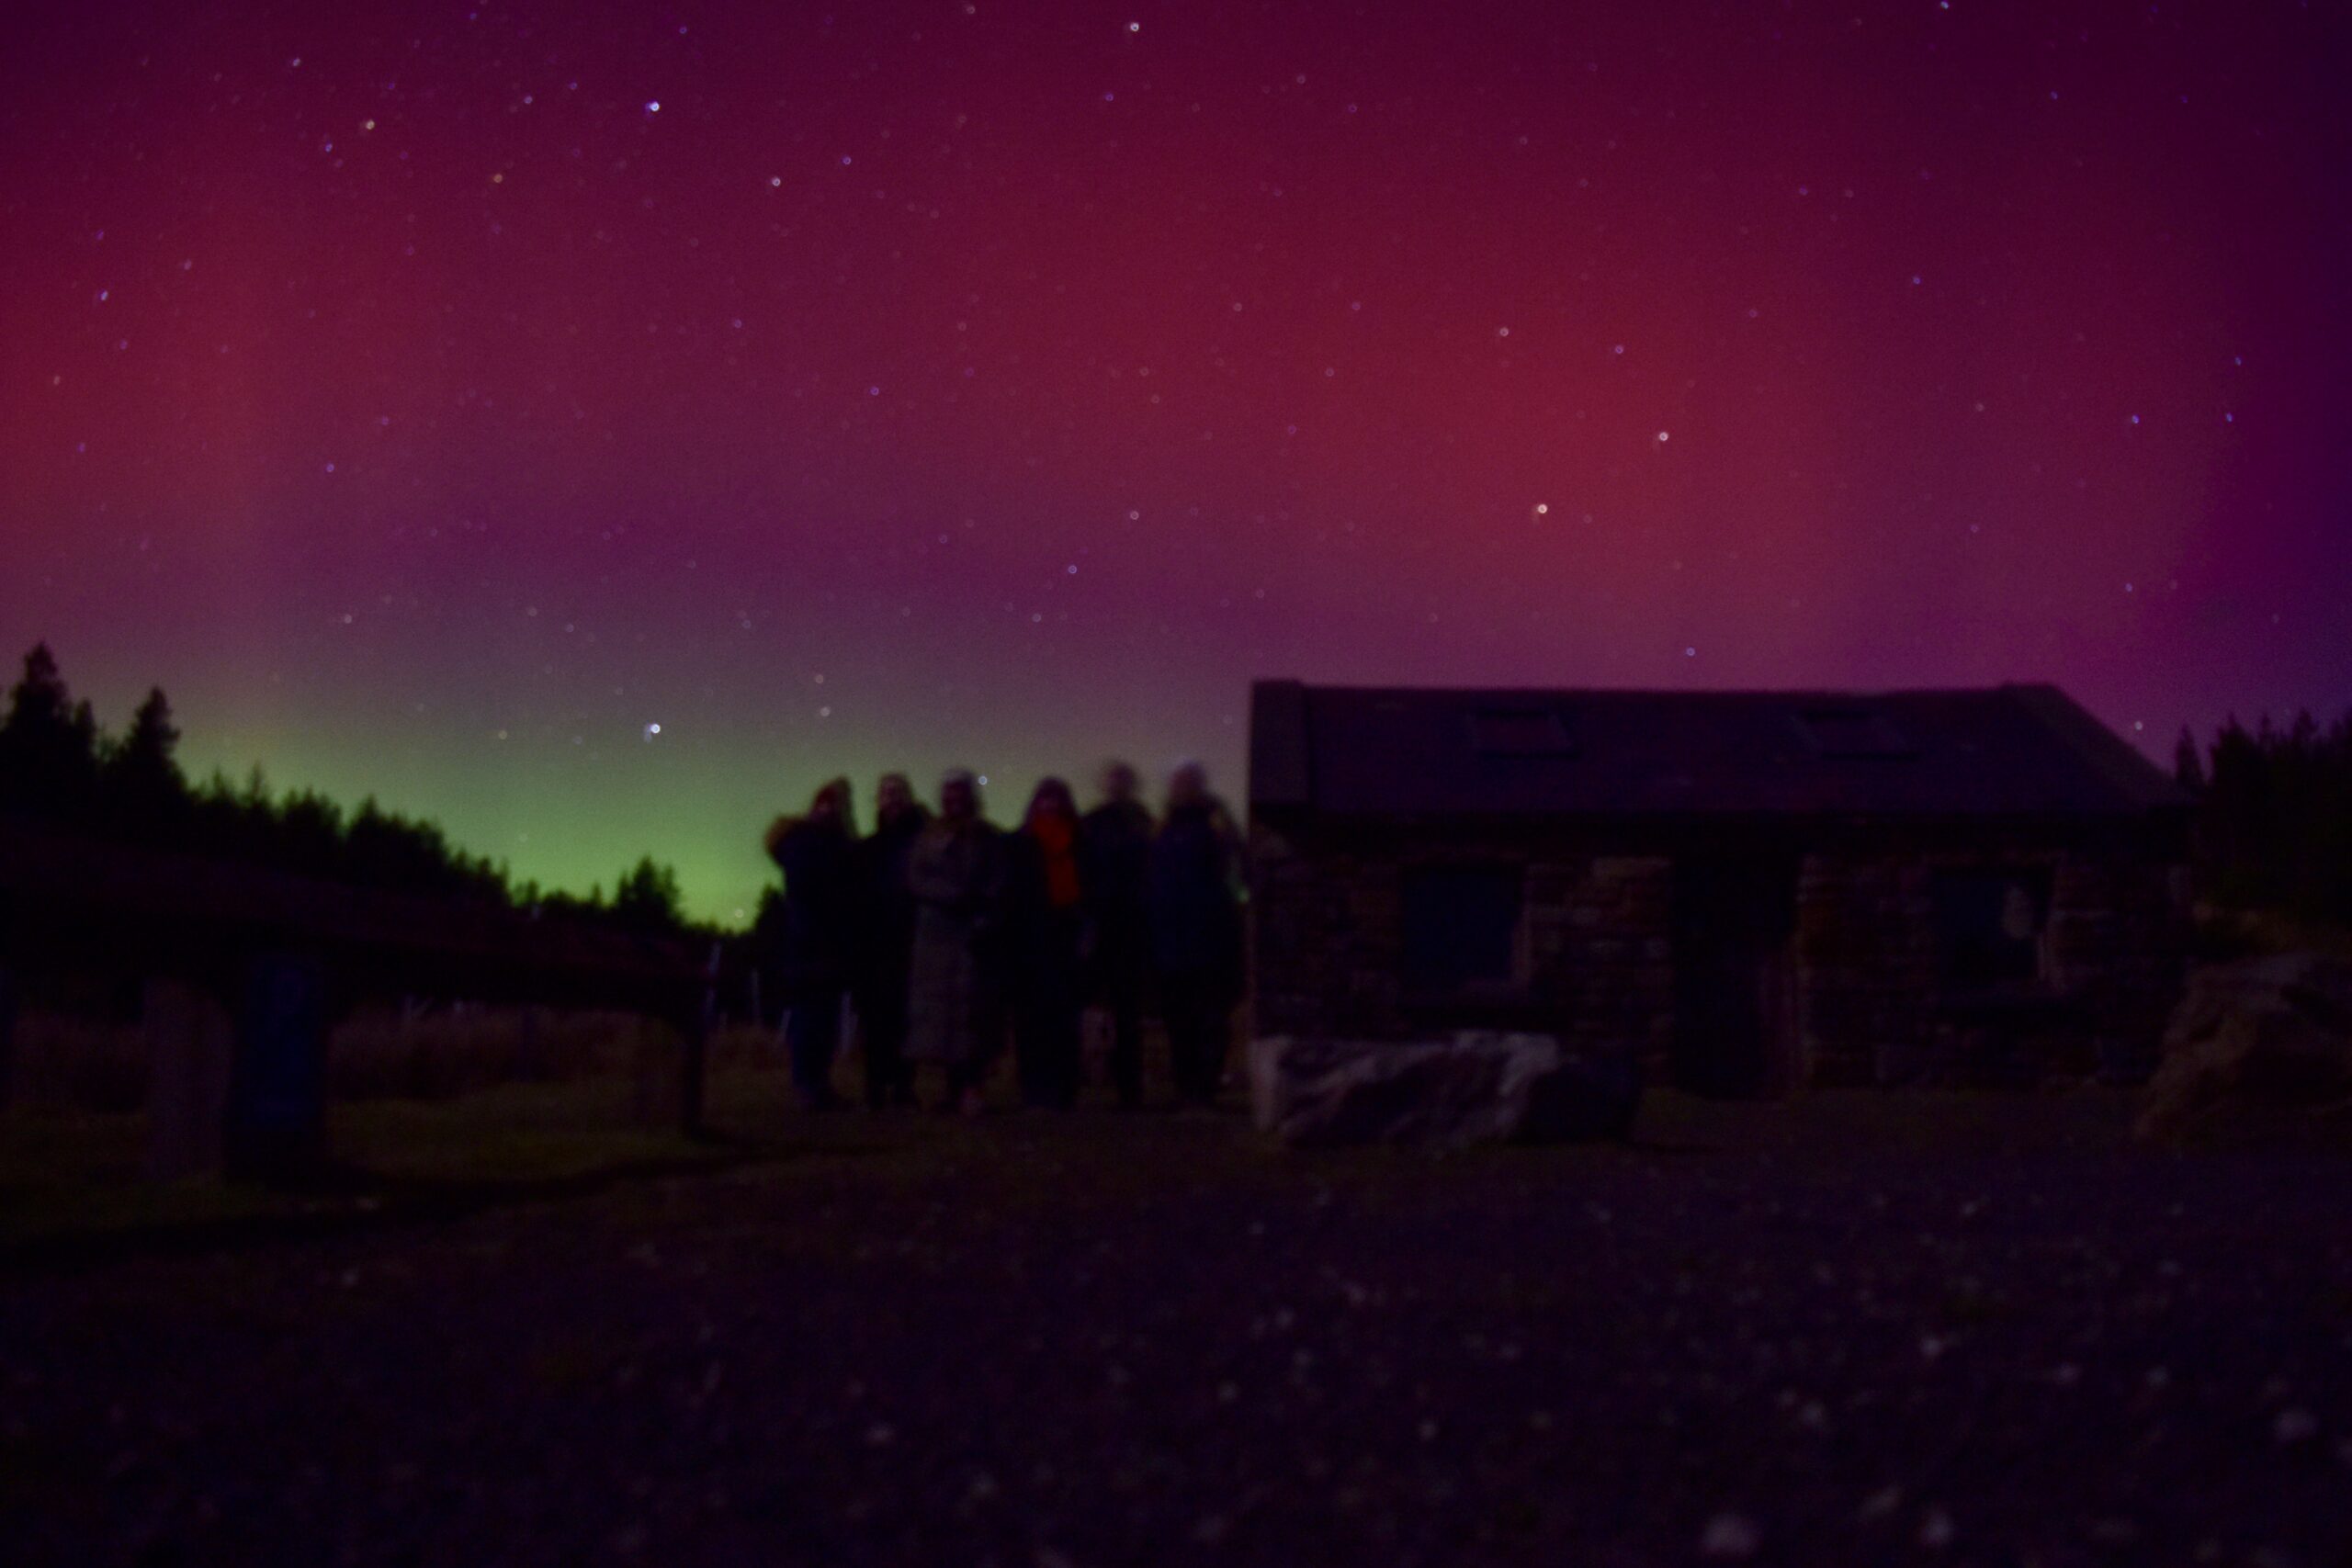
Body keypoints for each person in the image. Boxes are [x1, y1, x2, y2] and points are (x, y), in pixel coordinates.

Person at [905, 769, 1009, 1114]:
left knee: (972, 1016)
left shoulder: (986, 837)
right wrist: (949, 895)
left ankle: (971, 1087)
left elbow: (998, 880)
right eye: (948, 795)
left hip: (973, 936)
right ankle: (951, 1088)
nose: (954, 801)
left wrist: (981, 910)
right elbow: (916, 877)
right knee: (941, 1018)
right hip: (936, 938)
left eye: (959, 794)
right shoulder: (929, 836)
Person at [1148, 761, 1245, 1106]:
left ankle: (1205, 1087)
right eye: (1178, 783)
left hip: (1209, 936)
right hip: (1171, 938)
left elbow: (1236, 862)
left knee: (1210, 1017)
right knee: (1179, 1019)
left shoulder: (1215, 821)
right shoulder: (1161, 826)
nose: (1183, 789)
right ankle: (1186, 1087)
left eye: (1189, 783)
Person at [763, 778, 858, 1111]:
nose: (828, 809)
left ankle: (819, 1083)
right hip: (809, 944)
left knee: (826, 1019)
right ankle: (806, 1085)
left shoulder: (834, 843)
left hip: (830, 944)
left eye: (834, 804)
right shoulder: (804, 842)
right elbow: (813, 892)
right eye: (824, 802)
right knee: (809, 1018)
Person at [849, 773, 930, 1109]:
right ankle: (875, 1085)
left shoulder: (921, 841)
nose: (892, 798)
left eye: (898, 792)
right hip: (875, 943)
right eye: (886, 793)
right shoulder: (870, 847)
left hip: (910, 938)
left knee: (905, 1017)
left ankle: (902, 1086)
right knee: (876, 1017)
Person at [1078, 760, 1154, 1106]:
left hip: (1132, 924)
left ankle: (1129, 1087)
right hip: (1101, 920)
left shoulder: (1144, 822)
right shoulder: (1093, 823)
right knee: (1092, 1005)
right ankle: (1089, 1077)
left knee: (1127, 1010)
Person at [1008, 777, 1087, 1109]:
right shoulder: (1022, 843)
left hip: (1066, 937)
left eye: (1056, 800)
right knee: (1031, 1021)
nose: (1051, 807)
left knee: (1064, 1019)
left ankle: (1064, 1088)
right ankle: (1035, 1089)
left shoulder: (1081, 841)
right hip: (1031, 942)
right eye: (1046, 800)